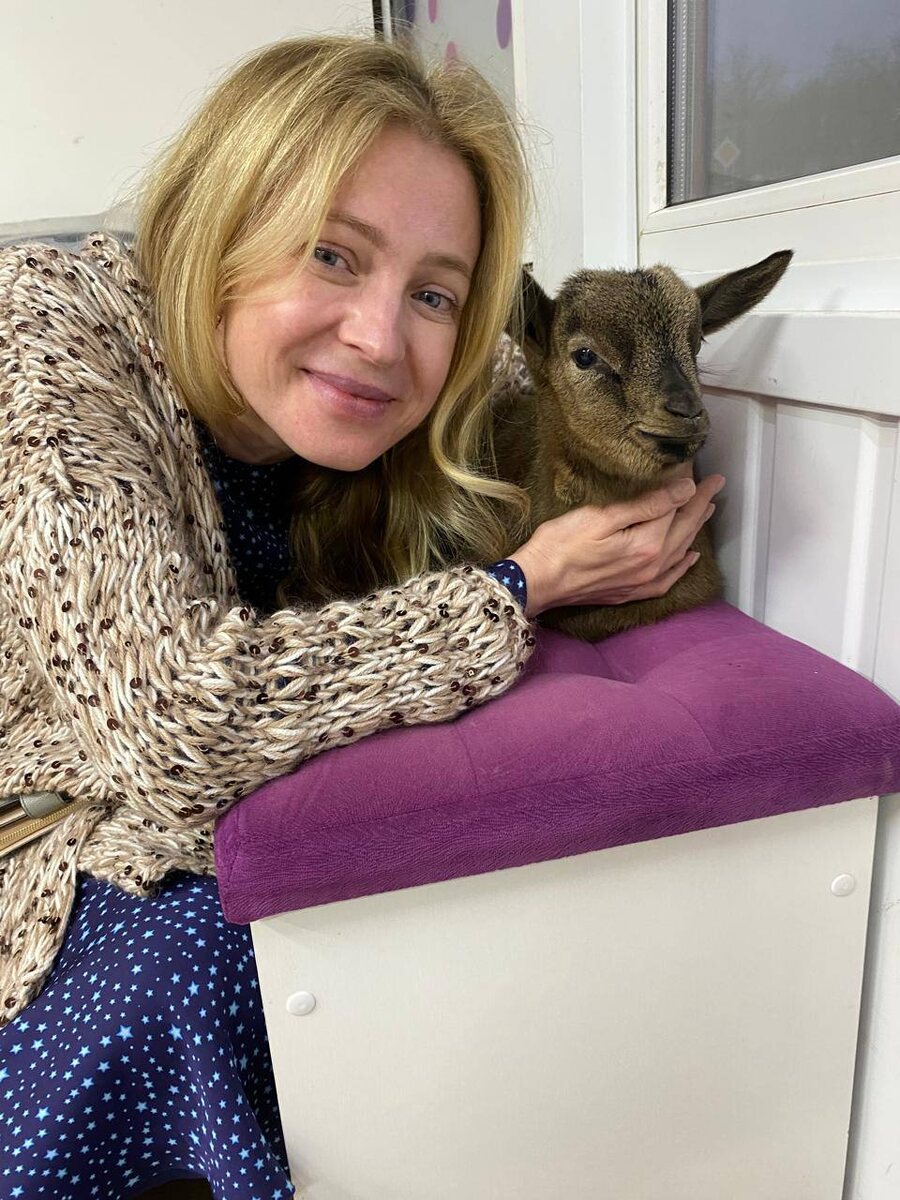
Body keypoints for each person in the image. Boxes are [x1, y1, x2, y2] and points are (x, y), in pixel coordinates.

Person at [0, 33, 723, 1200]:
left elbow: (540, 371)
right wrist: (522, 588)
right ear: (222, 221)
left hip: (202, 815)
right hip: (44, 840)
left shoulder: (427, 379)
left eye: (433, 291)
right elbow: (175, 722)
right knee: (220, 965)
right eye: (332, 254)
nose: (382, 340)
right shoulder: (49, 335)